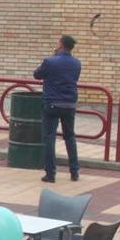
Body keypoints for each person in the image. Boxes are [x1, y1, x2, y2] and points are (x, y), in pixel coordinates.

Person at [34, 35, 82, 183]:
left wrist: (53, 56)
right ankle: (74, 171)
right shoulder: (76, 63)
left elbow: (37, 75)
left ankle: (50, 173)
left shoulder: (50, 61)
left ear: (60, 44)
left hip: (52, 104)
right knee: (70, 137)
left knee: (49, 138)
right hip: (69, 104)